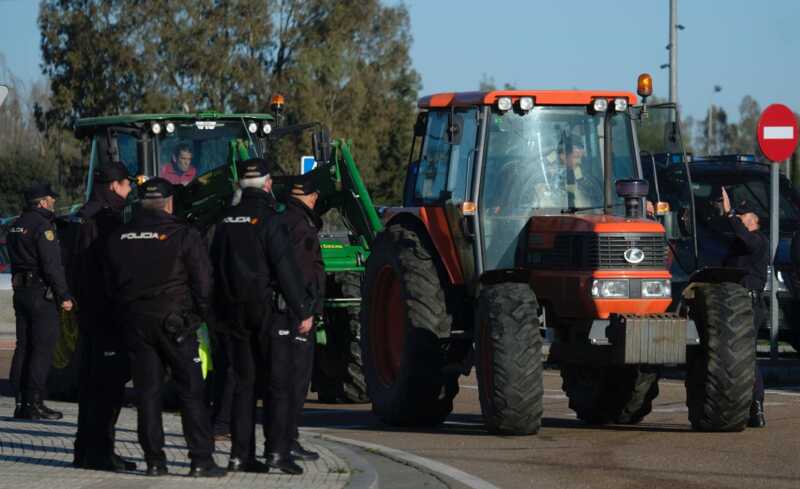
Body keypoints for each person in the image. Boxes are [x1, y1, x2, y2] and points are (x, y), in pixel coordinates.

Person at [104, 177, 225, 477]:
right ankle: (201, 460)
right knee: (191, 391)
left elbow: (110, 283)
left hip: (136, 323)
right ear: (170, 203)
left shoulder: (119, 236)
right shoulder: (183, 234)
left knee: (147, 394)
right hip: (175, 324)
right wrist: (199, 317)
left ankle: (154, 461)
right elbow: (204, 283)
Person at [211, 158, 315, 474]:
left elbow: (213, 267)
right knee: (277, 384)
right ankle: (277, 453)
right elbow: (285, 269)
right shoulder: (272, 221)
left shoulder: (225, 221)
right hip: (270, 314)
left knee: (244, 384)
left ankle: (241, 456)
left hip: (233, 314)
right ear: (268, 184)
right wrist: (303, 310)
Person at [69, 161, 136, 472]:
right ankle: (101, 452)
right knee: (108, 390)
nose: (130, 190)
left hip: (89, 315)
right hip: (107, 315)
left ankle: (85, 450)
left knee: (91, 387)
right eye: (127, 184)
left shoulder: (82, 215)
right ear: (114, 186)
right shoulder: (109, 218)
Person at [264, 177, 325, 474]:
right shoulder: (300, 225)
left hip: (284, 309)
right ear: (311, 197)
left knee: (286, 380)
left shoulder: (282, 218)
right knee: (296, 381)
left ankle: (286, 437)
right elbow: (301, 272)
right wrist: (307, 310)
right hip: (296, 313)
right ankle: (287, 440)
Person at [7, 182, 74, 420]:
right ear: (43, 202)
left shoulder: (16, 225)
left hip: (21, 292)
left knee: (23, 347)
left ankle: (20, 402)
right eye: (51, 199)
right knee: (42, 350)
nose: (54, 202)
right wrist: (64, 295)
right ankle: (35, 403)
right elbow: (52, 266)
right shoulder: (43, 227)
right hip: (40, 294)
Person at [721, 186, 768, 428]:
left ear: (756, 220)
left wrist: (730, 214)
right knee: (735, 356)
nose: (741, 219)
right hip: (734, 303)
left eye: (745, 216)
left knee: (747, 355)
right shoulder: (738, 245)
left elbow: (745, 239)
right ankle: (740, 405)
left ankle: (756, 406)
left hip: (750, 303)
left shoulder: (758, 240)